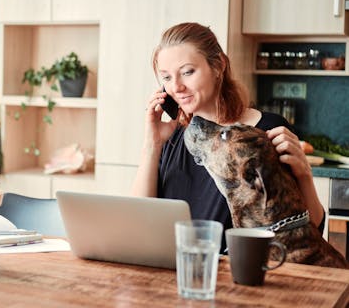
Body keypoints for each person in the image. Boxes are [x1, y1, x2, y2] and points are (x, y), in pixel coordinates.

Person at [131, 22, 325, 250]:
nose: (176, 87)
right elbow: (139, 223)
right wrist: (152, 144)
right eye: (166, 78)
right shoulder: (173, 137)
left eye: (187, 72)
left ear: (218, 66)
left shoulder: (265, 132)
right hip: (177, 271)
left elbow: (309, 228)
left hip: (239, 276)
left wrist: (304, 176)